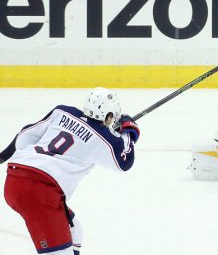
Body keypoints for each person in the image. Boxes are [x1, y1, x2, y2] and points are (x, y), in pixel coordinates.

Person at [0, 87, 140, 255]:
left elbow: (24, 136)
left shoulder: (62, 112)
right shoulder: (105, 139)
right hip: (40, 192)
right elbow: (124, 161)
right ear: (110, 116)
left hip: (15, 178)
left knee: (75, 231)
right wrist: (129, 132)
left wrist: (3, 157)